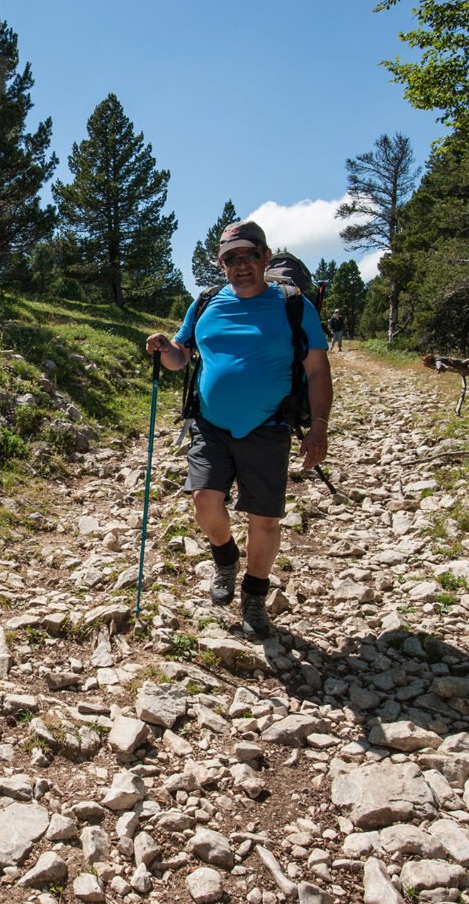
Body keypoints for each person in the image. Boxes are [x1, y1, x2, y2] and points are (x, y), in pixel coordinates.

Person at [144, 221, 332, 638]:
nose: (241, 265)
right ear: (221, 265)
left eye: (249, 255)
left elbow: (317, 370)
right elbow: (182, 356)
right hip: (210, 425)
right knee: (204, 502)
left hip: (269, 427)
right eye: (231, 258)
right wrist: (165, 348)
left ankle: (254, 595)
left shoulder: (293, 305)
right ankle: (226, 557)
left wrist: (318, 427)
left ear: (266, 256)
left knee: (263, 520)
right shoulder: (207, 302)